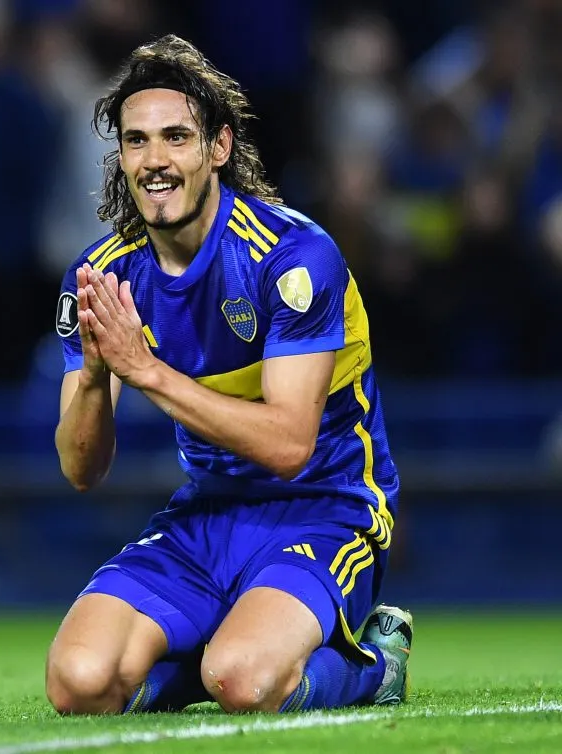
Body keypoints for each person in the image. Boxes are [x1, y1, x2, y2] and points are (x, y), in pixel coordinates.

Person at [46, 35, 411, 716]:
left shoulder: (293, 257)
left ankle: (376, 666)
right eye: (136, 141)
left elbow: (289, 446)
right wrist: (96, 375)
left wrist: (146, 371)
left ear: (218, 147)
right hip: (206, 516)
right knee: (80, 684)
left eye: (176, 137)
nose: (155, 160)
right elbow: (79, 469)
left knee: (243, 681)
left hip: (325, 511)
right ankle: (218, 648)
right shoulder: (103, 276)